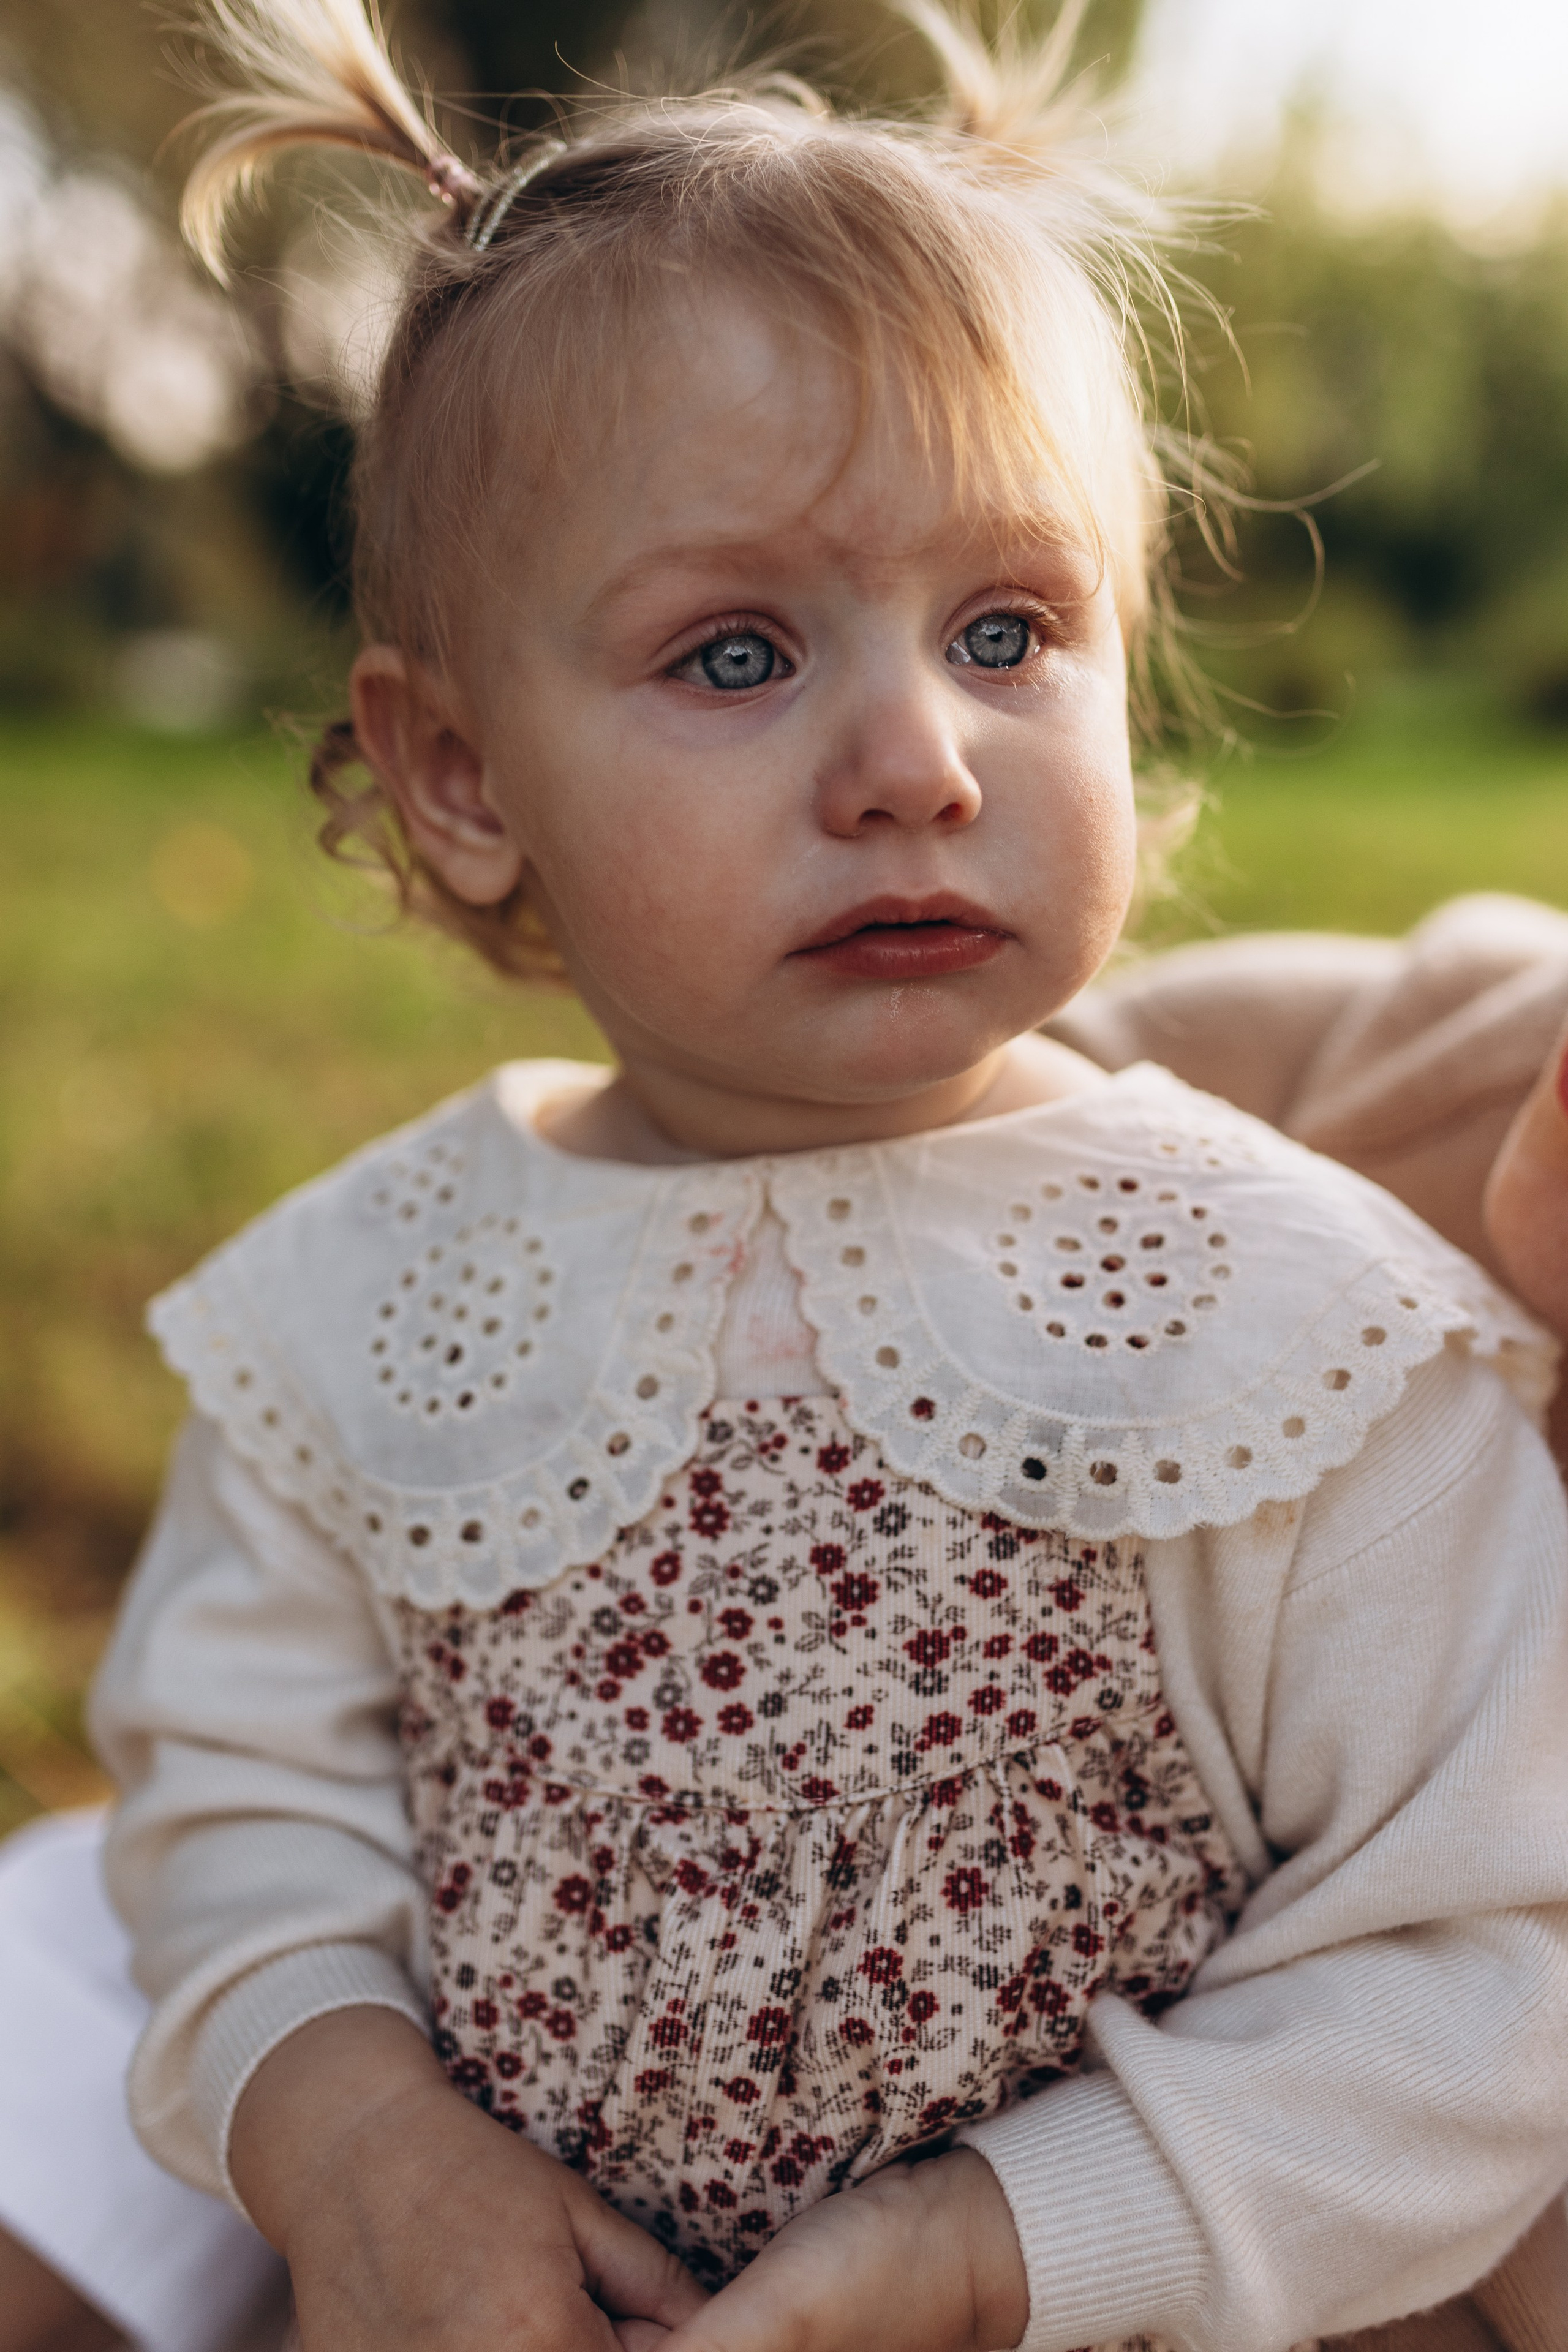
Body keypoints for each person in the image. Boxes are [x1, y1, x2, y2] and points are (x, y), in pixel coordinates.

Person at [15, 1, 1568, 2346]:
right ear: (455, 772)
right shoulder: (371, 1313)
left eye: (1012, 631)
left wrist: (1010, 2241)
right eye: (738, 653)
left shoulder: (1292, 1331)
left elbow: (1486, 1958)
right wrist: (350, 2134)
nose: (919, 760)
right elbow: (234, 1809)